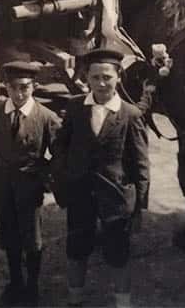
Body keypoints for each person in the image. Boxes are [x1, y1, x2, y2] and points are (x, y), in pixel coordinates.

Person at [52, 49, 149, 308]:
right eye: (95, 77)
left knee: (118, 253)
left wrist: (139, 206)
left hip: (116, 199)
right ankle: (75, 299)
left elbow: (141, 164)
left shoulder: (130, 114)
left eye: (107, 77)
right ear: (87, 79)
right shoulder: (75, 107)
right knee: (77, 249)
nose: (101, 83)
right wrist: (65, 178)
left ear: (119, 77)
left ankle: (123, 303)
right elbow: (60, 146)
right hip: (81, 193)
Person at [0, 59, 62, 306]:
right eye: (13, 87)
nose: (19, 94)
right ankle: (15, 282)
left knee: (32, 237)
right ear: (5, 87)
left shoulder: (46, 117)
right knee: (9, 234)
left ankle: (32, 286)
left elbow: (61, 154)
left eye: (25, 87)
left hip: (29, 188)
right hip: (1, 187)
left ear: (34, 86)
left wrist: (44, 173)